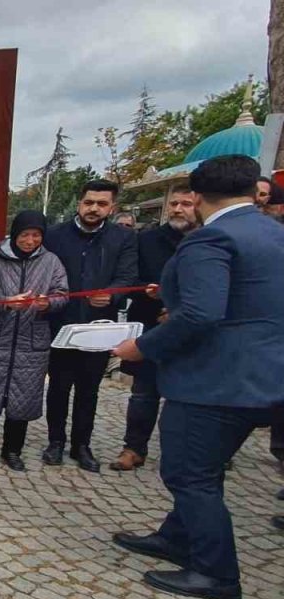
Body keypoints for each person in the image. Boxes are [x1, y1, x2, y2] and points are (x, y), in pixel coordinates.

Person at [112, 154, 284, 599]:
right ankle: (177, 537)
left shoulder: (212, 239)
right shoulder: (273, 232)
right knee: (204, 469)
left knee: (189, 474)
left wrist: (144, 346)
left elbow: (202, 314)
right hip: (262, 377)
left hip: (214, 380)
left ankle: (216, 573)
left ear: (198, 196)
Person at [42, 179, 138, 472]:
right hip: (62, 323)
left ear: (112, 207)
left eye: (101, 204)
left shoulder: (122, 238)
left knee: (89, 388)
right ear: (79, 202)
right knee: (58, 386)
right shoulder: (56, 235)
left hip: (100, 325)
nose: (94, 209)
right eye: (89, 203)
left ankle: (81, 445)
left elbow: (128, 277)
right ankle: (55, 442)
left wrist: (112, 294)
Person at [0, 211, 67, 471]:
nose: (30, 240)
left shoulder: (51, 261)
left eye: (36, 235)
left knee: (22, 397)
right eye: (25, 235)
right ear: (15, 233)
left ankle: (13, 449)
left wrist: (47, 303)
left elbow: (62, 293)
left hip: (31, 339)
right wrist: (4, 303)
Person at [111, 187, 197, 471]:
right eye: (173, 203)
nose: (177, 209)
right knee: (143, 393)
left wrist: (176, 308)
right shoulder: (147, 239)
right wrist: (146, 294)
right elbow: (129, 279)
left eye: (186, 203)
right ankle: (134, 448)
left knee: (190, 394)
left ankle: (192, 452)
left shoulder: (208, 240)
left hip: (192, 329)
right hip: (150, 324)